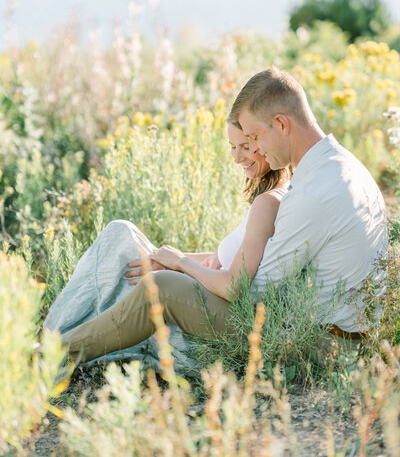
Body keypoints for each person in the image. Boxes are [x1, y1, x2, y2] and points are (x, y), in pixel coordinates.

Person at [60, 67, 388, 365]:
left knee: (161, 287)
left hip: (318, 347)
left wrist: (181, 265)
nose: (255, 149)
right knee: (159, 276)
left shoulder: (314, 192)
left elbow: (248, 293)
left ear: (281, 124)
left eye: (256, 138)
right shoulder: (341, 165)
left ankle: (51, 358)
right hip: (340, 337)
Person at [46, 120, 290, 365]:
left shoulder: (269, 202)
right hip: (210, 299)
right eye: (232, 146)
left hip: (226, 323)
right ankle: (52, 341)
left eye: (246, 146)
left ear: (263, 139)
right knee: (123, 236)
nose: (237, 157)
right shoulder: (269, 199)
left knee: (136, 264)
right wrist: (167, 259)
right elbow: (225, 261)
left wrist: (180, 262)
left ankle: (48, 352)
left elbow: (232, 286)